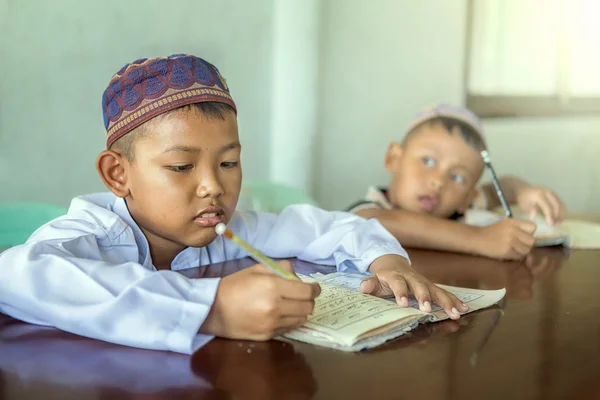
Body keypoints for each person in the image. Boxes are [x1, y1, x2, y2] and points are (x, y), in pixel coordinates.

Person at [0, 55, 466, 354]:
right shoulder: (92, 232)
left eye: (229, 162)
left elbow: (326, 226)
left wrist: (387, 261)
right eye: (181, 167)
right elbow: (18, 274)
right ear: (118, 175)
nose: (212, 188)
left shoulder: (225, 229)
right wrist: (213, 308)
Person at [347, 104, 566, 260]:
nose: (438, 181)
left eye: (457, 177)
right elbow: (374, 222)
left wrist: (523, 191)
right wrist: (481, 239)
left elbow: (502, 188)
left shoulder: (460, 205)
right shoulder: (373, 209)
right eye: (428, 160)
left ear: (468, 197)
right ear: (394, 158)